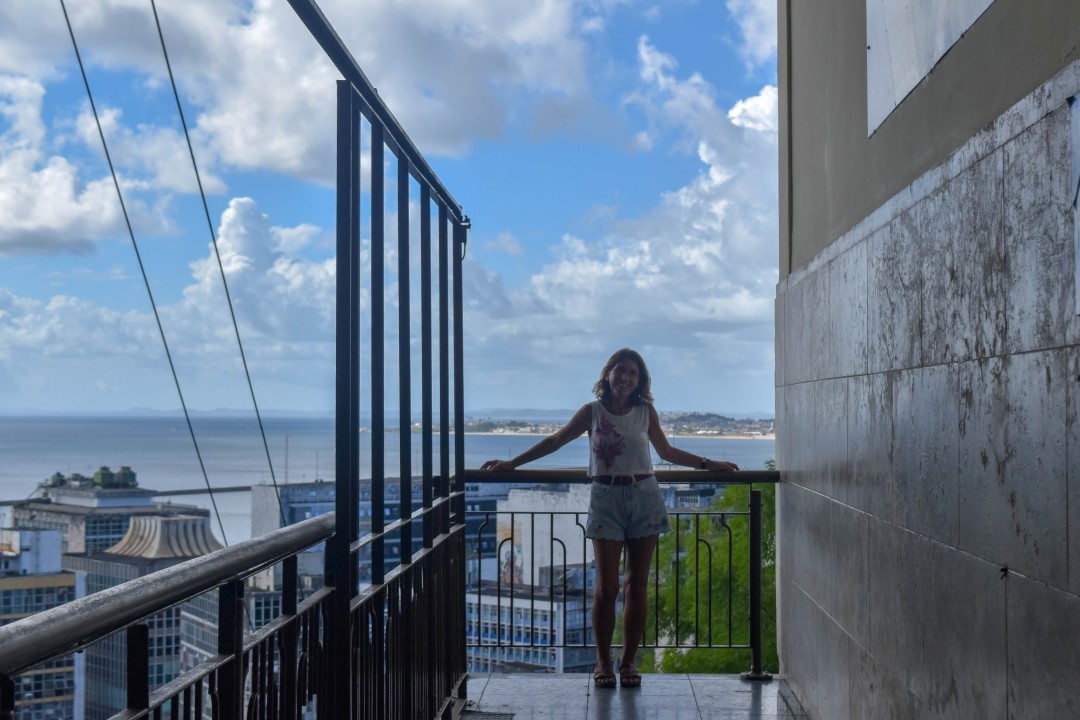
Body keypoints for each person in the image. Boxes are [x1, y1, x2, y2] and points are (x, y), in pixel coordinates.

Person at [481, 348, 739, 688]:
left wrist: (710, 464)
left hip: (644, 496)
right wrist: (512, 465)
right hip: (606, 498)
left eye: (632, 372)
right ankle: (602, 662)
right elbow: (555, 440)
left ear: (639, 380)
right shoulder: (592, 412)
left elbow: (667, 453)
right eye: (621, 370)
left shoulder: (646, 412)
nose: (626, 377)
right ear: (608, 375)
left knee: (637, 586)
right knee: (606, 587)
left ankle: (628, 662)